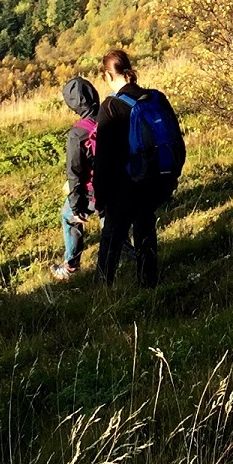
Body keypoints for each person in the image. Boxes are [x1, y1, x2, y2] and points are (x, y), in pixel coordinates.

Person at [92, 49, 171, 288]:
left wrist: (100, 197)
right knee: (146, 229)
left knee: (111, 239)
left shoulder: (111, 107)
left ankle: (101, 291)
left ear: (107, 76)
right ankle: (148, 284)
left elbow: (103, 159)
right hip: (153, 181)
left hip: (123, 187)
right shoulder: (155, 98)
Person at [54, 76, 100, 281]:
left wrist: (75, 205)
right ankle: (133, 258)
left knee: (68, 216)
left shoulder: (78, 133)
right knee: (113, 226)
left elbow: (75, 174)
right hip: (121, 184)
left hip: (94, 192)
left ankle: (71, 266)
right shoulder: (112, 115)